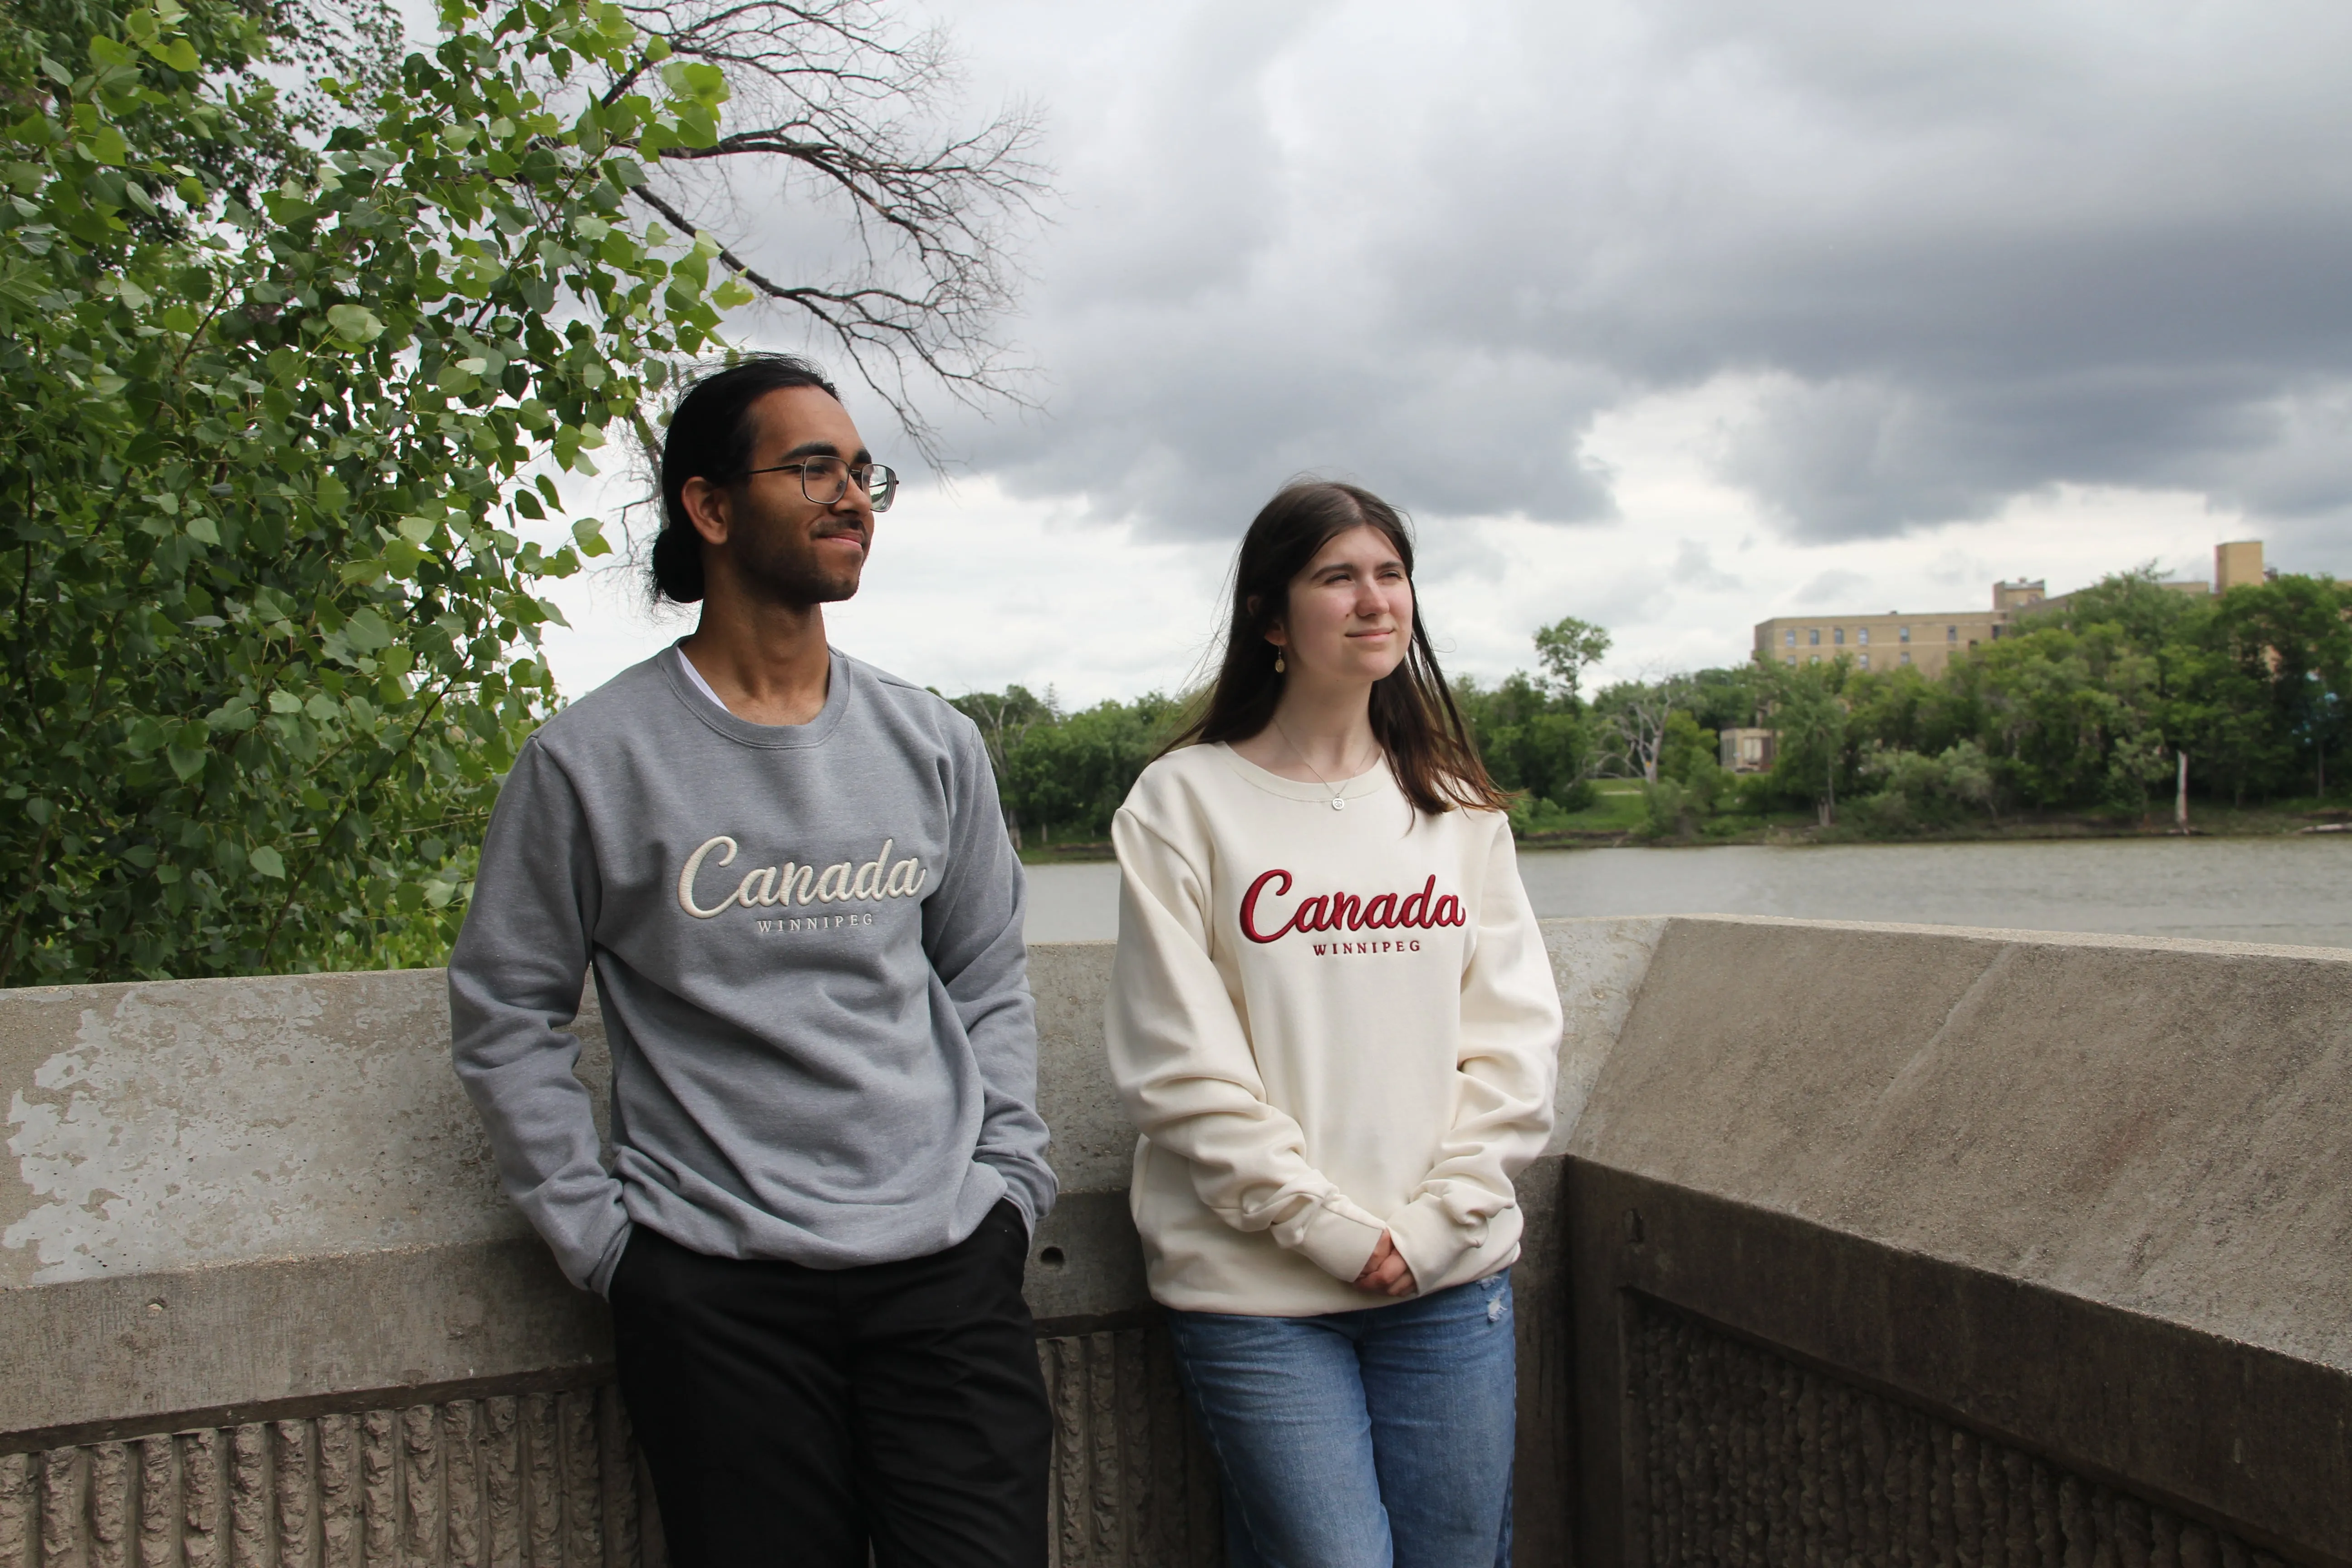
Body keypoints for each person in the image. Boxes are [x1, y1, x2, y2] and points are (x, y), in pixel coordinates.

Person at [447, 355, 1055, 1568]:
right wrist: (607, 1245)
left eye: (863, 471)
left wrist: (1008, 1190)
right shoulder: (589, 760)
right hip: (716, 1296)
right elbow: (507, 1009)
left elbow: (986, 976)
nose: (854, 496)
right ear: (710, 507)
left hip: (946, 1271)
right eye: (814, 468)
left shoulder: (933, 742)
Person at [1104, 481, 1563, 1568]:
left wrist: (1435, 1225)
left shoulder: (1456, 807)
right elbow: (1178, 1065)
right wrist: (1330, 1231)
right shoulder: (1183, 801)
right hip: (1257, 1292)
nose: (1374, 600)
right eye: (1338, 577)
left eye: (1391, 574)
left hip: (1447, 1278)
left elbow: (1514, 1043)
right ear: (1270, 618)